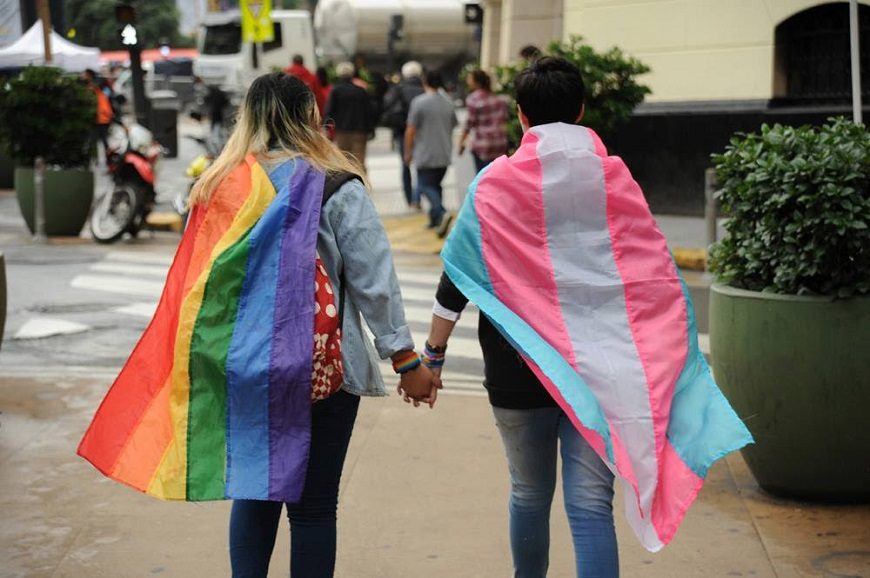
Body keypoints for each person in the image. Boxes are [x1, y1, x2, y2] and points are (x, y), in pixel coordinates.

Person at [419, 56, 752, 575]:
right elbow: (653, 277)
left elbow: (456, 280)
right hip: (603, 372)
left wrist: (433, 358)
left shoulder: (494, 184)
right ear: (580, 109)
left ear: (522, 116)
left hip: (517, 369)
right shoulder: (614, 180)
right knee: (590, 506)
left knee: (528, 494)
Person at [404, 69, 457, 229]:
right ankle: (435, 221)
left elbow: (410, 130)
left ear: (424, 82)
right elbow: (453, 124)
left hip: (425, 153)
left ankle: (441, 212)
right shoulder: (448, 102)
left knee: (425, 186)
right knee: (436, 185)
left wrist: (408, 151)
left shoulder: (419, 102)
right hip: (444, 152)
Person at [381, 61, 424, 209]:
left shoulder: (398, 89)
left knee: (405, 164)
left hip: (401, 131)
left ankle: (409, 198)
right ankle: (417, 198)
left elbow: (387, 106)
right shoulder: (424, 89)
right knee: (421, 166)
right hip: (421, 133)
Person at [324, 62, 376, 171]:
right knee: (359, 162)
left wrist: (327, 129)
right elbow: (369, 111)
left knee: (345, 162)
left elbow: (329, 111)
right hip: (360, 131)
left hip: (342, 131)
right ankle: (362, 185)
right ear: (352, 74)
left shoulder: (336, 91)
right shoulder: (361, 91)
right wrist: (371, 129)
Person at [458, 69, 509, 173]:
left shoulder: (473, 99)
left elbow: (469, 124)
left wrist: (461, 143)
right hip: (500, 144)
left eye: (469, 78)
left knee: (482, 178)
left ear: (475, 81)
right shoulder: (499, 99)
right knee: (496, 176)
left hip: (483, 145)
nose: (468, 81)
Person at [82, 68, 115, 163]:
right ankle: (105, 160)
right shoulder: (99, 88)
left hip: (102, 118)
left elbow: (106, 101)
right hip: (100, 118)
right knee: (99, 141)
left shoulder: (98, 87)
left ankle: (106, 161)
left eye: (84, 74)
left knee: (98, 140)